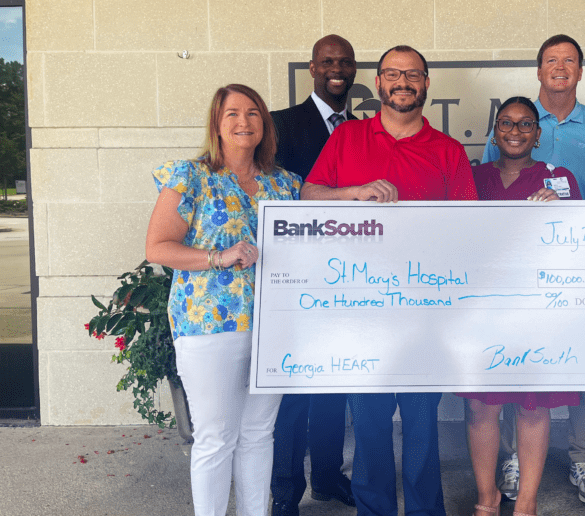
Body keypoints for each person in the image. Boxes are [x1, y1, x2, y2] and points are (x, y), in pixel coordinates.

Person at [302, 45, 478, 516]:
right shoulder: (347, 138)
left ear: (426, 84)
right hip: (361, 310)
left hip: (425, 313)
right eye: (393, 73)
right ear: (378, 83)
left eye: (413, 74)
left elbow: (469, 231)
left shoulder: (448, 151)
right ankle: (373, 509)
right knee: (370, 424)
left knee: (422, 425)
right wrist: (354, 192)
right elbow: (308, 194)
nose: (403, 81)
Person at [146, 84, 302, 516]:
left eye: (253, 113)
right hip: (207, 326)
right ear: (216, 123)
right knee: (216, 436)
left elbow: (318, 209)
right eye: (232, 113)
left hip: (272, 327)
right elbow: (158, 247)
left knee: (258, 434)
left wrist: (356, 194)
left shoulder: (283, 183)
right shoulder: (190, 176)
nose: (243, 122)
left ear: (264, 124)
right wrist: (218, 257)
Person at [482, 34, 585, 505]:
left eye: (569, 61)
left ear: (580, 71)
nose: (560, 67)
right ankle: (512, 459)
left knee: (578, 368)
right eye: (551, 60)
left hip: (572, 272)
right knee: (510, 373)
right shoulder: (504, 137)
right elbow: (480, 206)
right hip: (505, 282)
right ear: (539, 70)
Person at [458, 96, 582, 516]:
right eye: (506, 124)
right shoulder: (471, 178)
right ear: (494, 132)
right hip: (481, 311)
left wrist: (563, 213)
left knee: (532, 407)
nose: (515, 132)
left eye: (525, 124)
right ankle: (487, 498)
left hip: (536, 313)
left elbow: (578, 243)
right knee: (480, 407)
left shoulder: (558, 179)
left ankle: (526, 502)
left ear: (538, 133)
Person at [269, 34, 358, 516]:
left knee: (332, 387)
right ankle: (286, 492)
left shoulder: (364, 130)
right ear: (312, 68)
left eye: (345, 62)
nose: (337, 69)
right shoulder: (280, 126)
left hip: (349, 277)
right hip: (298, 276)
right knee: (295, 395)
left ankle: (327, 476)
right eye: (328, 62)